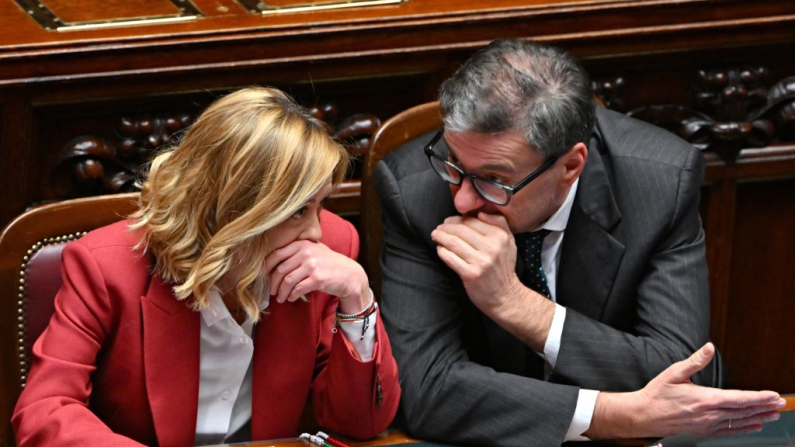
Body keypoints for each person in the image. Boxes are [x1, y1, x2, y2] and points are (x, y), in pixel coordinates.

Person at [375, 39, 784, 446]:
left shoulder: (660, 183)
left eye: (494, 181)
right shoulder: (415, 190)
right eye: (453, 164)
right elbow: (426, 392)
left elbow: (685, 373)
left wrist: (516, 304)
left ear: (571, 166)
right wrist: (613, 415)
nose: (463, 198)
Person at [13, 87, 400, 446]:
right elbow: (45, 410)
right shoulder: (105, 266)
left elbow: (361, 424)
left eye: (321, 205)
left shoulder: (328, 252)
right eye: (298, 211)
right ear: (236, 210)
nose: (315, 232)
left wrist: (358, 297)